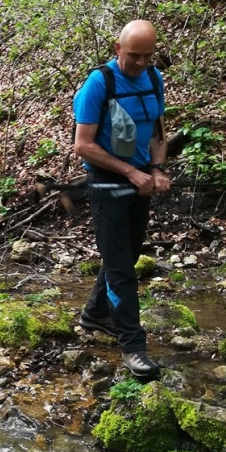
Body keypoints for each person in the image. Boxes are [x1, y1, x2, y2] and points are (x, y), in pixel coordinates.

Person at [73, 19, 171, 380]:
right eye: (134, 56)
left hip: (142, 177)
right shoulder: (99, 83)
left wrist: (157, 169)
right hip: (106, 183)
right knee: (121, 268)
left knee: (126, 255)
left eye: (148, 56)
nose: (141, 63)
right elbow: (83, 145)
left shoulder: (154, 79)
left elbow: (159, 130)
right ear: (118, 49)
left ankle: (96, 314)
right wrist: (130, 172)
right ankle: (133, 345)